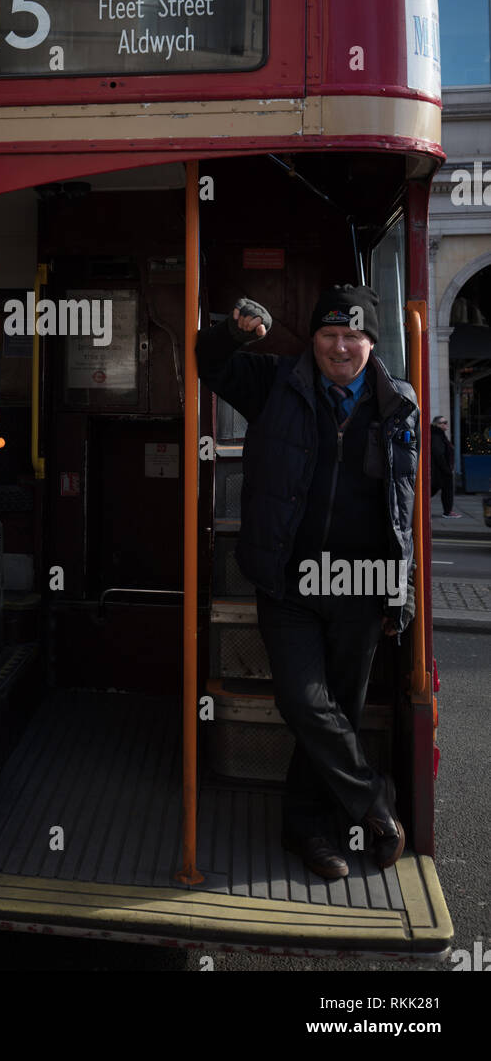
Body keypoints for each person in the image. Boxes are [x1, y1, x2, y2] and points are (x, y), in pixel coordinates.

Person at [196, 286, 419, 881]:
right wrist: (236, 333)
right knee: (303, 702)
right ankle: (374, 800)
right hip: (288, 581)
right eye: (327, 335)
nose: (339, 347)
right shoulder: (274, 382)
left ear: (372, 344)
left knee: (335, 714)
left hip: (361, 585)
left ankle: (308, 831)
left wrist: (403, 590)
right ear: (313, 341)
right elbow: (206, 362)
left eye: (352, 336)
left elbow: (404, 510)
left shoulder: (398, 405)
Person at [430, 416, 461, 519]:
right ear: (436, 424)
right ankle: (448, 512)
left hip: (440, 469)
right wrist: (446, 469)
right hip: (440, 469)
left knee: (436, 489)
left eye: (446, 422)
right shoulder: (436, 435)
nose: (446, 424)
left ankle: (448, 511)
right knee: (440, 489)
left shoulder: (439, 434)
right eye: (443, 422)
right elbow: (438, 453)